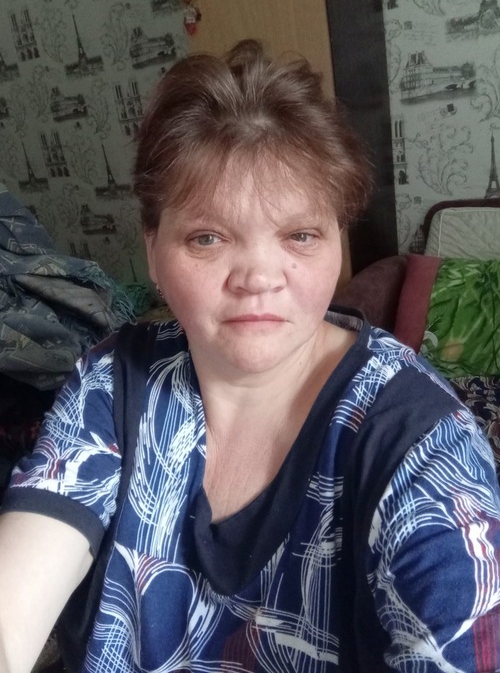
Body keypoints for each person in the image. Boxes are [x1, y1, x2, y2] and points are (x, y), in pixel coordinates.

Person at [0, 39, 499, 673]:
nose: (259, 277)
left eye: (300, 235)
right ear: (152, 250)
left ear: (338, 241)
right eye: (208, 237)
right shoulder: (112, 381)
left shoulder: (422, 445)